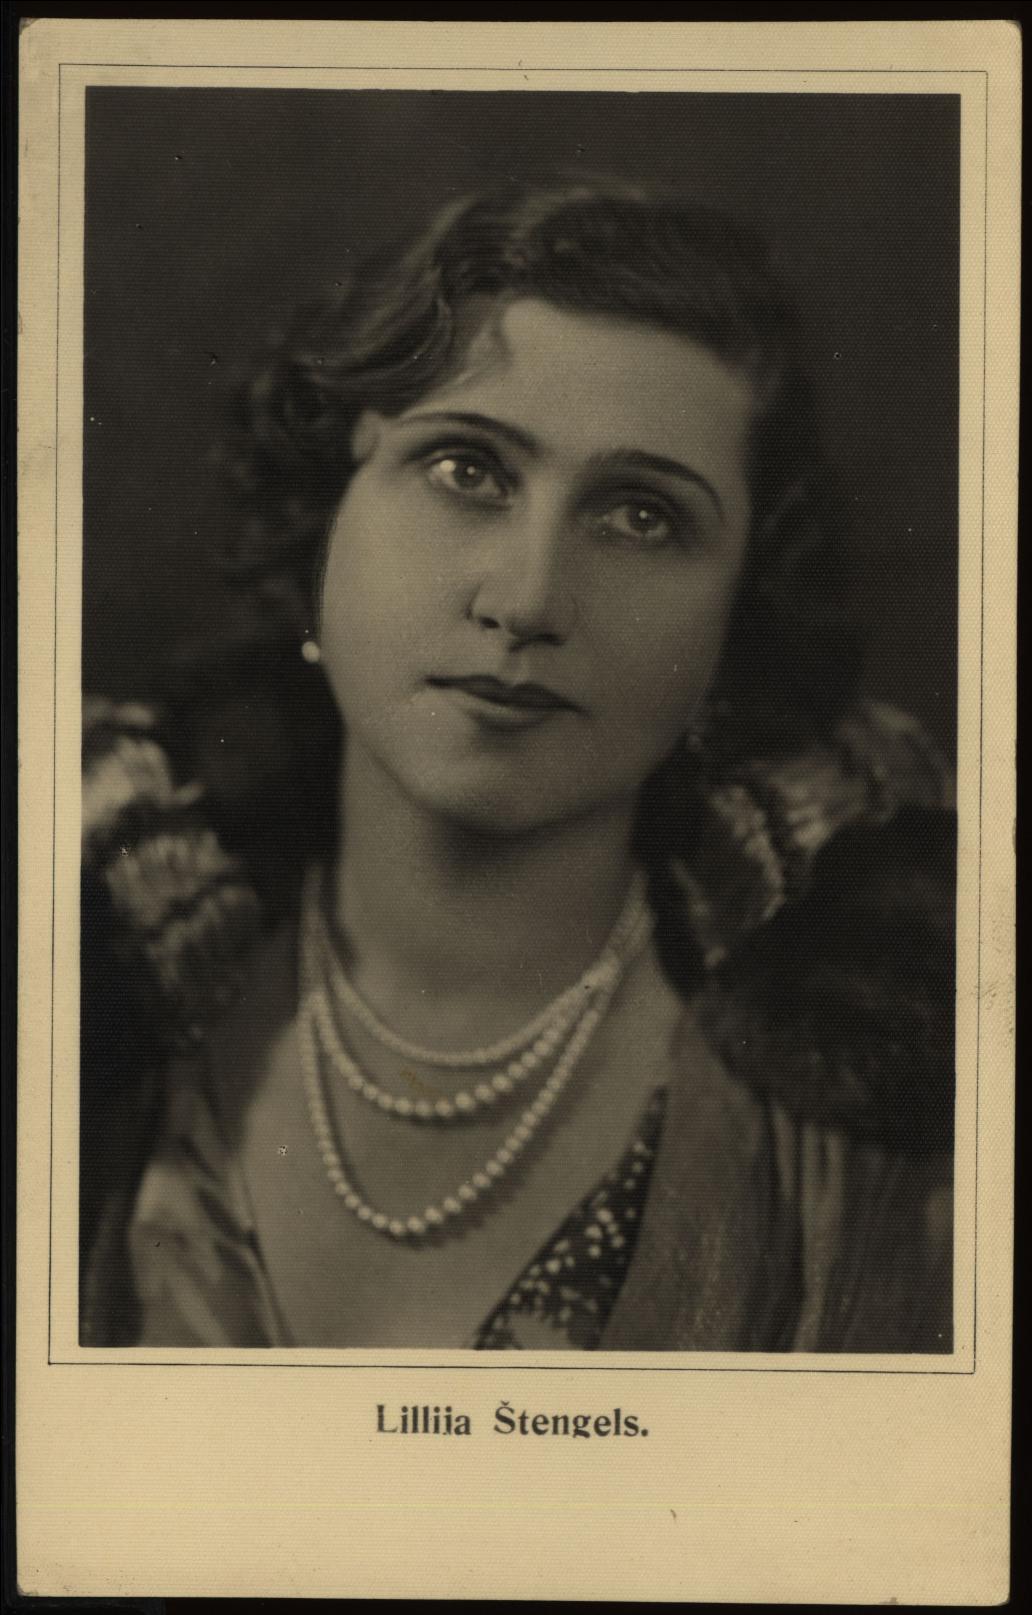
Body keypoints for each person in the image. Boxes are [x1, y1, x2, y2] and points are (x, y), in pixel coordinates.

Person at [80, 175, 956, 1351]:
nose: (530, 598)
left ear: (737, 614)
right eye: (467, 470)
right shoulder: (85, 977)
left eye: (641, 515)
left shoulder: (904, 1126)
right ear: (328, 509)